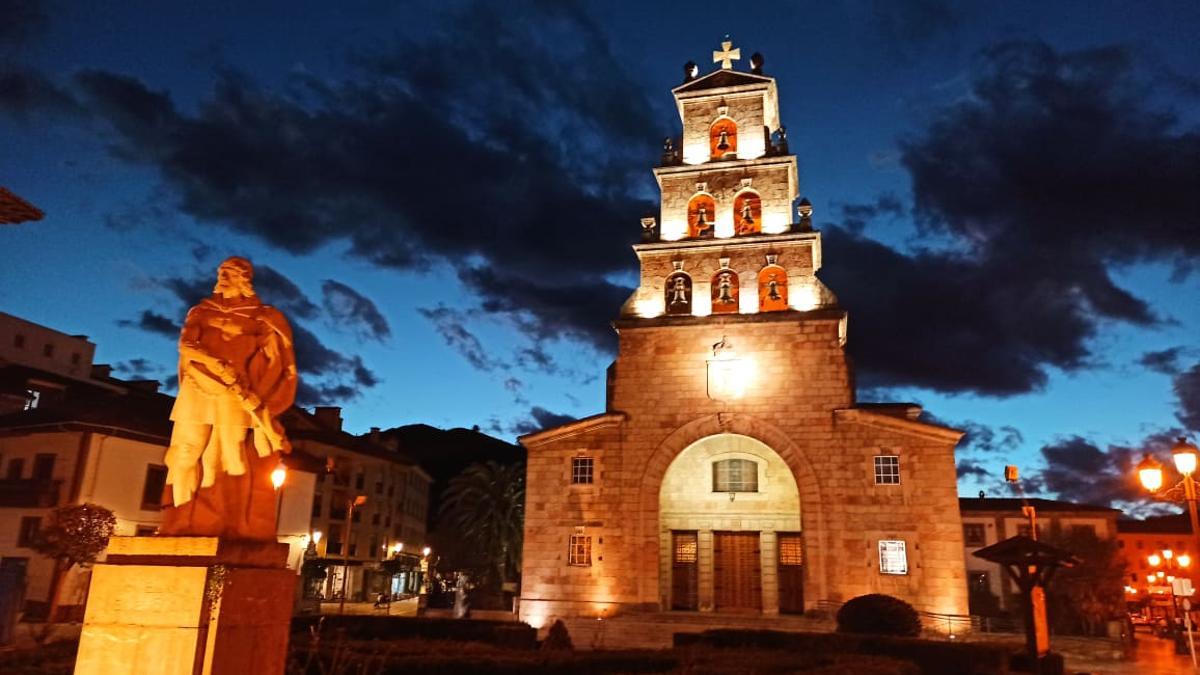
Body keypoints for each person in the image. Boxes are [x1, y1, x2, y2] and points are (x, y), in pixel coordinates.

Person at [159, 256, 298, 540]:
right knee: (183, 453)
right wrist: (216, 364)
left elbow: (277, 363)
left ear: (244, 278)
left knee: (225, 458)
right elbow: (186, 344)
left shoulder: (262, 316)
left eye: (230, 272)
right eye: (221, 271)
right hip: (198, 387)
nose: (223, 276)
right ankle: (177, 521)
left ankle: (227, 524)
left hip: (236, 396)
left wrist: (262, 402)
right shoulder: (202, 310)